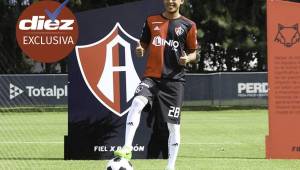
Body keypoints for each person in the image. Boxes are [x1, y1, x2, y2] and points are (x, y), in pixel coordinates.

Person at [114, 0, 198, 169]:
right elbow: (143, 44)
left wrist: (187, 59)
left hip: (174, 81)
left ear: (181, 1)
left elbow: (193, 52)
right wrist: (140, 49)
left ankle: (170, 166)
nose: (171, 1)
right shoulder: (151, 20)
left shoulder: (189, 25)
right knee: (137, 102)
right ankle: (127, 148)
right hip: (152, 78)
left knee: (173, 126)